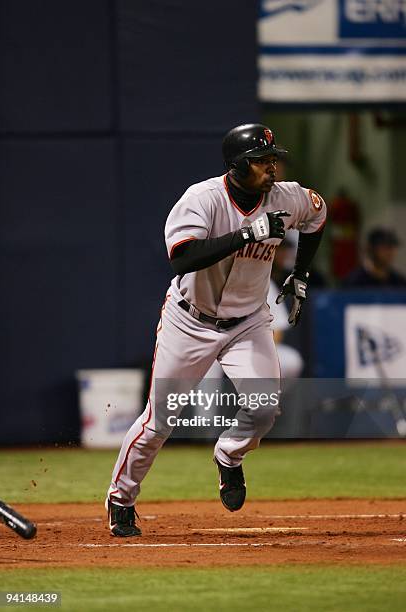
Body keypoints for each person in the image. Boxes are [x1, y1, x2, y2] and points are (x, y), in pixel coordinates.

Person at [106, 123, 326, 537]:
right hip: (190, 320)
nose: (270, 167)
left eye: (272, 158)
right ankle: (121, 498)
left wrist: (301, 274)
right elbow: (182, 258)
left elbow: (318, 215)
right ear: (236, 166)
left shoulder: (286, 197)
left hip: (247, 322)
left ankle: (229, 455)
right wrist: (246, 234)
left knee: (263, 408)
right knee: (160, 422)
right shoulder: (202, 199)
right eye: (260, 161)